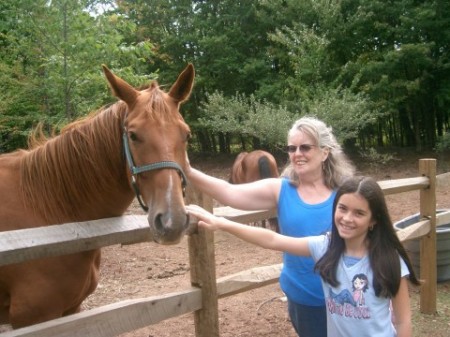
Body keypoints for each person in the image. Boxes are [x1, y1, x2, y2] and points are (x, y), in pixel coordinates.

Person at [186, 176, 420, 337]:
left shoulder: (389, 261)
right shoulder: (326, 247)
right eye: (343, 208)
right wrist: (222, 223)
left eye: (359, 213)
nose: (347, 218)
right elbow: (273, 240)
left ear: (374, 220)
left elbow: (403, 320)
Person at [185, 116, 355, 337]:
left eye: (305, 147)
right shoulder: (281, 190)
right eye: (291, 148)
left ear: (325, 152)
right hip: (305, 301)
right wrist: (187, 170)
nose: (297, 154)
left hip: (348, 297)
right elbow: (229, 192)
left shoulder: (346, 191)